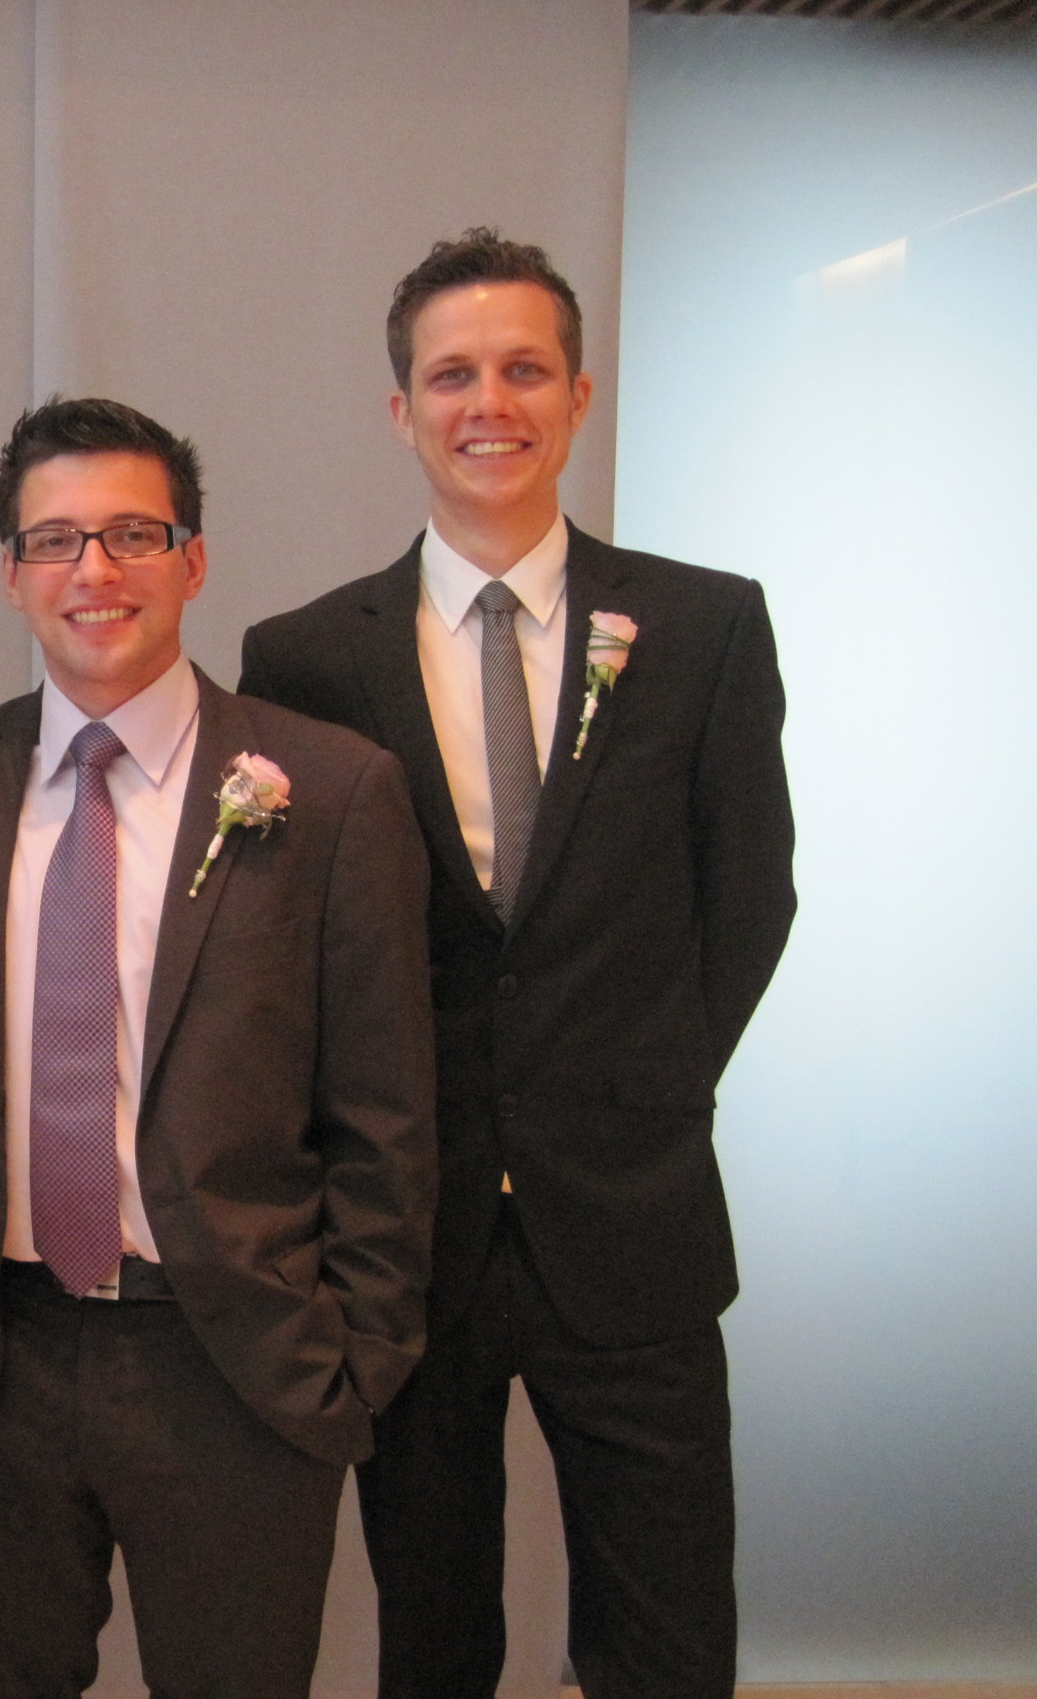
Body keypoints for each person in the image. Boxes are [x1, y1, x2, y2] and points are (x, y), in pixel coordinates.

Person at [238, 228, 798, 1699]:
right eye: (453, 376)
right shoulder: (303, 658)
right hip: (407, 1233)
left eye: (525, 370)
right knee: (433, 1640)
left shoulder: (704, 626)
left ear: (579, 395)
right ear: (401, 409)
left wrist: (638, 1084)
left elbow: (750, 898)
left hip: (634, 1216)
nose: (490, 403)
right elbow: (292, 957)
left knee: (668, 1637)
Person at [0, 397, 437, 1699]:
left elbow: (387, 1115)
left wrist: (351, 1364)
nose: (94, 570)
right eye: (55, 540)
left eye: (133, 534)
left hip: (233, 1362)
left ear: (194, 560)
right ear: (11, 574)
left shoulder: (331, 791)